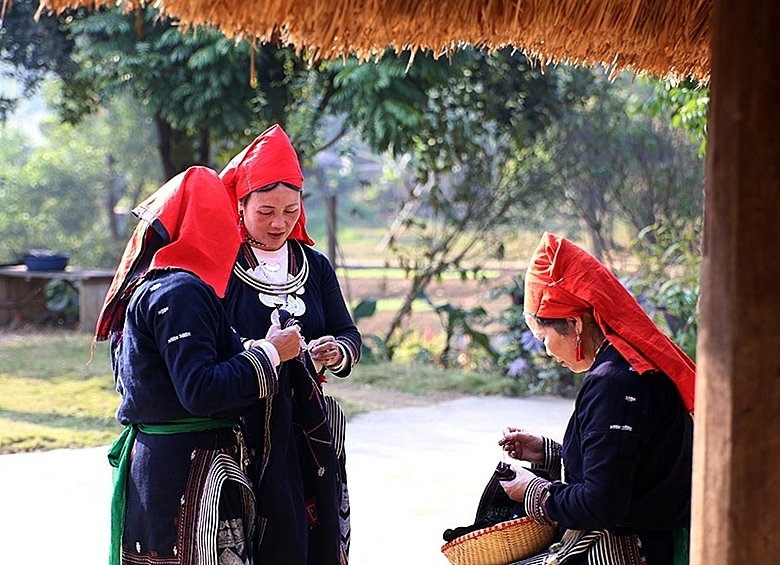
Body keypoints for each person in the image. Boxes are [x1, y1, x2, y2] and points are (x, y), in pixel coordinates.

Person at [94, 166, 304, 565]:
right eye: (227, 217)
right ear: (211, 223)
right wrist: (272, 353)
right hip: (187, 473)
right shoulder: (182, 291)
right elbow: (200, 389)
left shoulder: (162, 285)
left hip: (164, 466)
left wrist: (255, 346)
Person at [497, 232, 695, 565]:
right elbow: (629, 464)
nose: (545, 350)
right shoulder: (627, 366)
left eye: (542, 335)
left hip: (641, 551)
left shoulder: (615, 384)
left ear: (573, 323)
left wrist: (534, 492)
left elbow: (602, 503)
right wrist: (549, 452)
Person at [220, 124, 361, 565]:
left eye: (289, 209)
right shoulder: (221, 267)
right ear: (239, 205)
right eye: (265, 211)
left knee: (313, 538)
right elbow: (213, 346)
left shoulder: (314, 265)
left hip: (310, 428)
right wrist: (265, 351)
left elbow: (348, 333)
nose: (279, 222)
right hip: (244, 428)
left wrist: (335, 351)